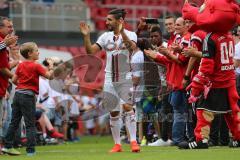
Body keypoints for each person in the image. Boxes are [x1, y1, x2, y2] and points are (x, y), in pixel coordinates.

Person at [79, 8, 140, 153]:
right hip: (109, 78)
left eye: (109, 20)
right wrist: (86, 36)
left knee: (127, 108)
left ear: (120, 21)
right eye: (106, 19)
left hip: (126, 77)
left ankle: (133, 141)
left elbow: (131, 47)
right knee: (113, 112)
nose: (106, 22)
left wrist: (122, 31)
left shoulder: (131, 34)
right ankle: (117, 144)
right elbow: (90, 52)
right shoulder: (105, 36)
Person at [2, 42, 54, 156]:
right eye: (36, 50)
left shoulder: (20, 65)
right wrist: (51, 67)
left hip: (18, 95)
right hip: (28, 96)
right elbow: (50, 76)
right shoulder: (36, 66)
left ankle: (7, 146)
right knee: (30, 124)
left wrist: (24, 82)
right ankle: (30, 151)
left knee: (14, 122)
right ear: (30, 53)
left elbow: (14, 80)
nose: (38, 52)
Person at [0, 16, 18, 154]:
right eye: (9, 26)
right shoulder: (2, 43)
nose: (11, 29)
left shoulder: (3, 44)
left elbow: (4, 66)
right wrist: (15, 78)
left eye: (12, 26)